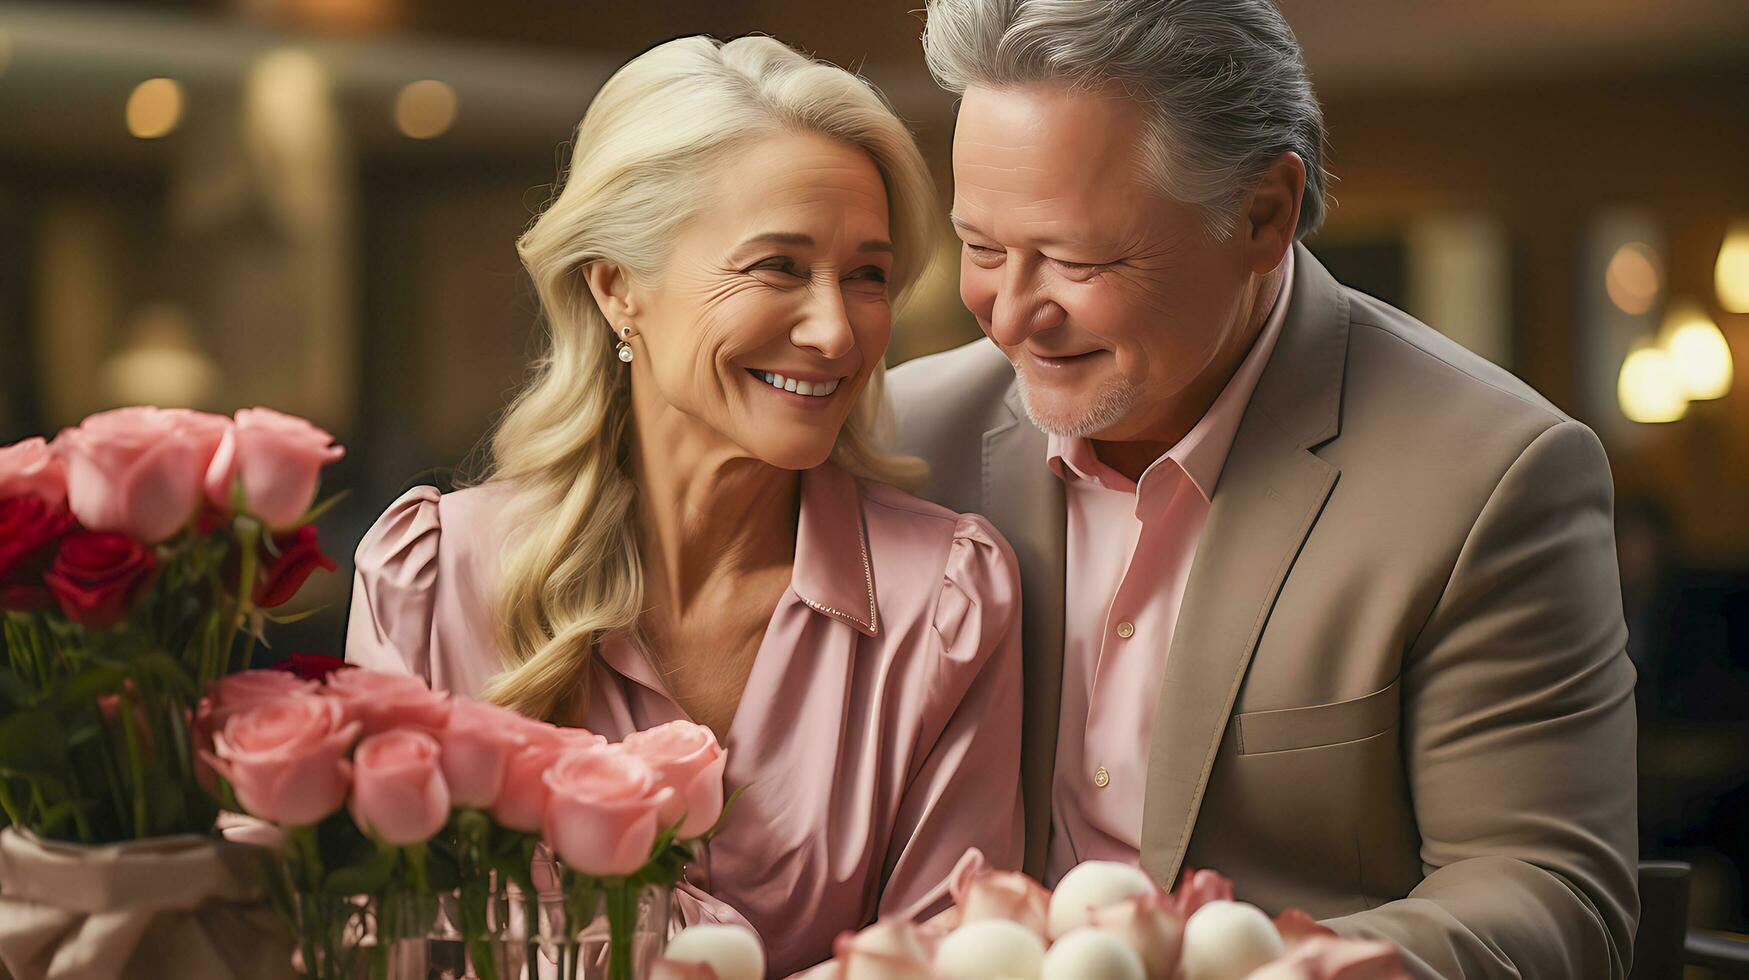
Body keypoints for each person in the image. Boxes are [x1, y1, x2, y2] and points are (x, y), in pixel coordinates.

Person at [889, 1, 1639, 976]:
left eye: (1077, 259)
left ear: (1263, 214)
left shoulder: (1495, 476)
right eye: (982, 249)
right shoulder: (903, 441)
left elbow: (1550, 889)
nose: (1010, 314)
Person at [346, 35, 1024, 975]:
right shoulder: (429, 581)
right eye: (777, 266)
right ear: (617, 284)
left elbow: (961, 957)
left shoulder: (945, 604)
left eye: (866, 275)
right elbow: (376, 947)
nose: (835, 330)